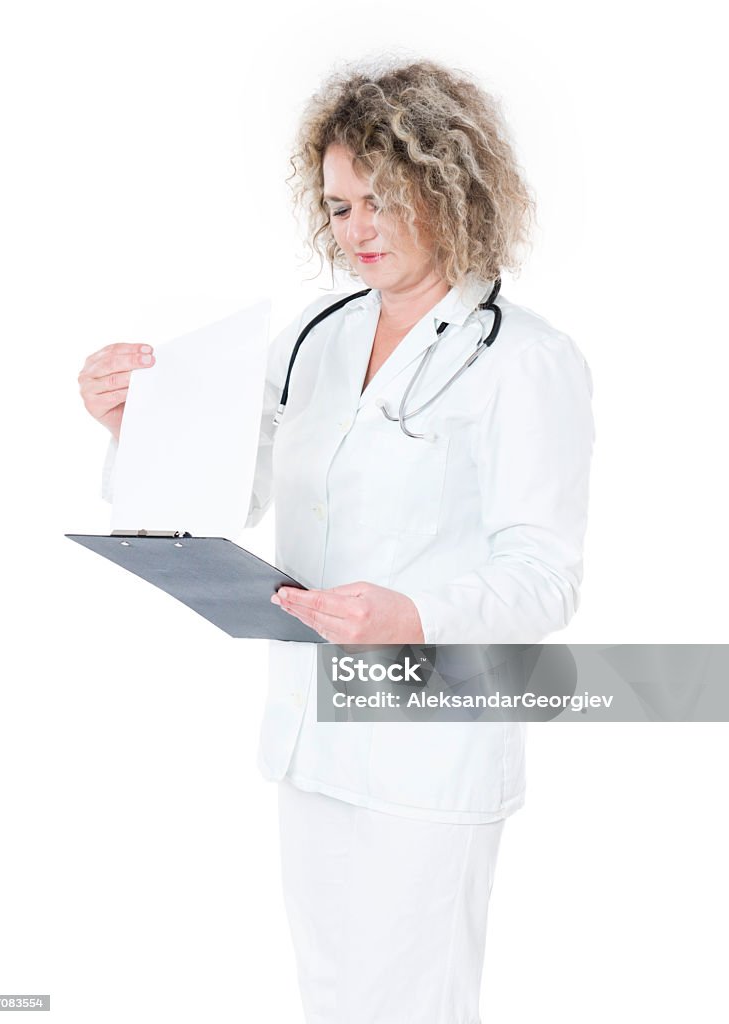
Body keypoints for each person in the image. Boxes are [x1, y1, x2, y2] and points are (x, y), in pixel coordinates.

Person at [78, 57, 594, 1024]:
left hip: (428, 736)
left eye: (382, 202)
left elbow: (545, 574)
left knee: (411, 1002)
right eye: (340, 206)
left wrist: (412, 612)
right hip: (309, 732)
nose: (357, 231)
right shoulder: (316, 333)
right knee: (335, 1002)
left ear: (452, 187)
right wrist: (131, 423)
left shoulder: (524, 361)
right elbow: (240, 488)